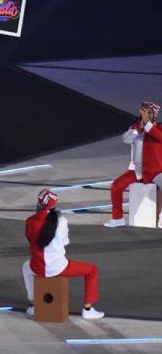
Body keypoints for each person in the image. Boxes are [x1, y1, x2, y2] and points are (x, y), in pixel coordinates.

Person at [23, 189, 104, 319]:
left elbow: (30, 239)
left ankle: (33, 305)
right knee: (92, 270)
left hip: (37, 266)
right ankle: (88, 309)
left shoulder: (30, 221)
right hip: (58, 268)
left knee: (26, 267)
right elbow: (65, 242)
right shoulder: (61, 221)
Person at [105, 101, 162, 228]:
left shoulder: (159, 129)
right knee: (116, 186)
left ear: (154, 115)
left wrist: (147, 124)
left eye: (150, 112)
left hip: (157, 171)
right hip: (138, 170)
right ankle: (117, 218)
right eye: (144, 111)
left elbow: (158, 136)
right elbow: (126, 138)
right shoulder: (135, 128)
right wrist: (139, 128)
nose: (146, 114)